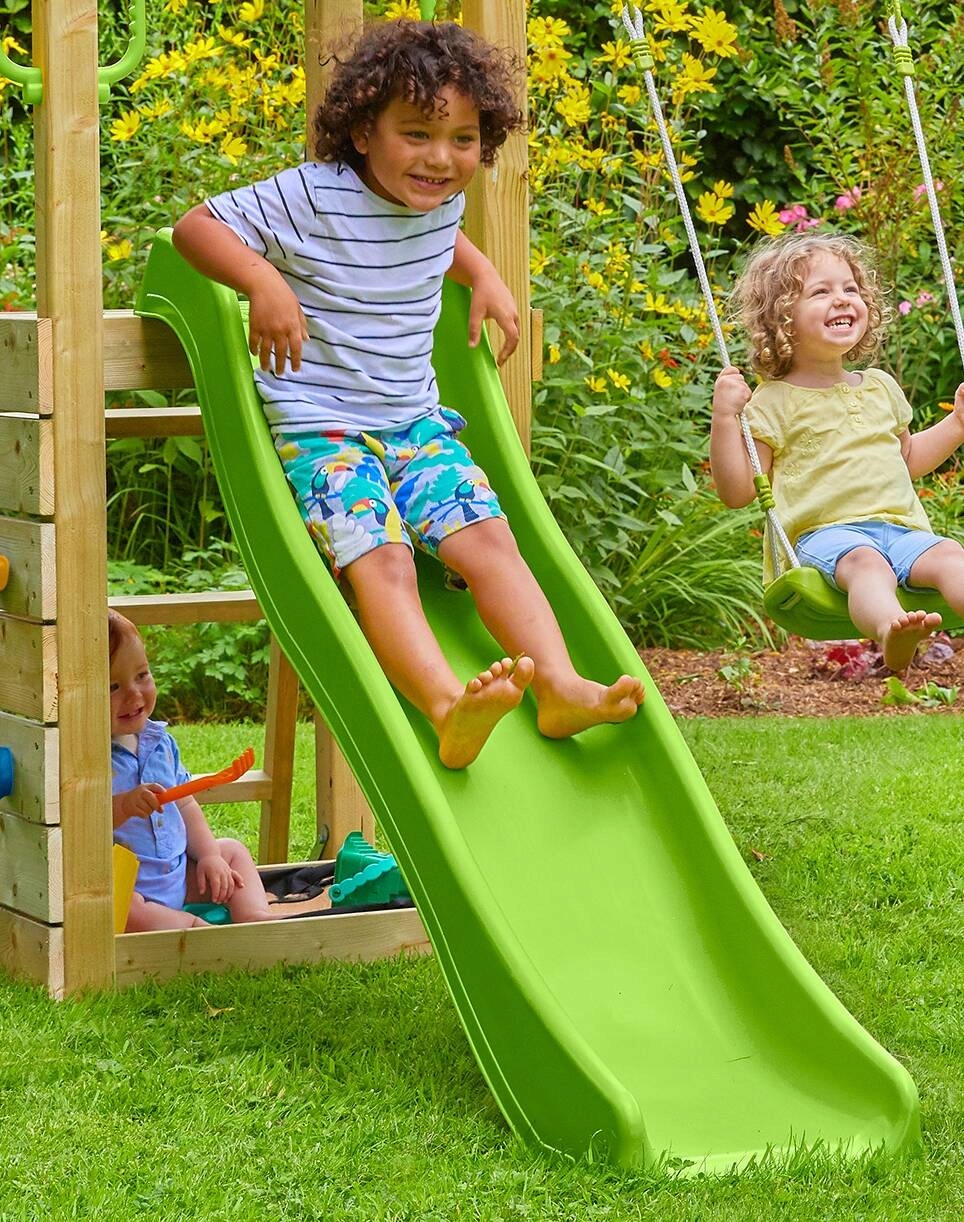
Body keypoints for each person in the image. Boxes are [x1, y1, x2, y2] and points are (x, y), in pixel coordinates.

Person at [172, 19, 644, 769]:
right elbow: (195, 228)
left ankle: (557, 687)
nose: (440, 158)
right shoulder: (312, 195)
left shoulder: (438, 200)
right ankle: (445, 706)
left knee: (491, 541)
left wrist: (482, 274)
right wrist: (263, 282)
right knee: (383, 558)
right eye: (417, 134)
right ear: (364, 132)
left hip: (415, 425)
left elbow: (436, 237)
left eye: (462, 139)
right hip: (324, 431)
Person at [711, 231, 964, 673]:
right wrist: (724, 417)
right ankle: (892, 630)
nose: (842, 299)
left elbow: (907, 461)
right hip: (828, 538)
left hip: (902, 531)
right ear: (782, 318)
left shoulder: (880, 387)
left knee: (950, 556)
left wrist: (957, 424)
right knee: (868, 565)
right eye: (821, 292)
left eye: (850, 288)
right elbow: (737, 492)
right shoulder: (772, 402)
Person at [108, 610, 315, 930]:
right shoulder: (88, 758)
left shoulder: (160, 743)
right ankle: (194, 929)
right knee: (118, 905)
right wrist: (122, 806)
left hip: (178, 875)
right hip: (132, 890)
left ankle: (256, 918)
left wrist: (208, 857)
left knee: (231, 851)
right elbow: (79, 823)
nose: (134, 694)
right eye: (113, 686)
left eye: (142, 675)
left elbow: (185, 804)